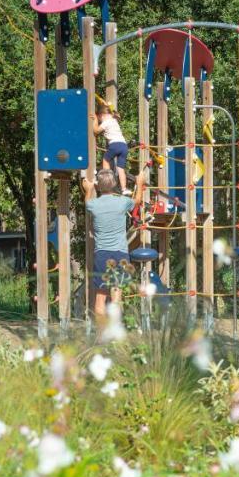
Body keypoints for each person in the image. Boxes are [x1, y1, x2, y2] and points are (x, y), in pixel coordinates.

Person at [83, 167, 146, 322]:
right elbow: (137, 201)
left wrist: (88, 189)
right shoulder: (122, 202)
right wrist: (140, 183)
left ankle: (102, 335)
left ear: (98, 186)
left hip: (101, 255)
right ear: (115, 184)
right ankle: (114, 333)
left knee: (100, 298)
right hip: (120, 254)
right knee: (116, 297)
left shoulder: (93, 205)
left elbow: (87, 202)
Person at [95, 106, 129, 194]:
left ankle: (107, 183)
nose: (100, 121)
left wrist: (95, 120)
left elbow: (96, 131)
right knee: (120, 168)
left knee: (105, 160)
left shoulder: (106, 122)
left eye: (99, 119)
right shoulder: (114, 120)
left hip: (115, 145)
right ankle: (124, 189)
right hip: (124, 146)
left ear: (102, 116)